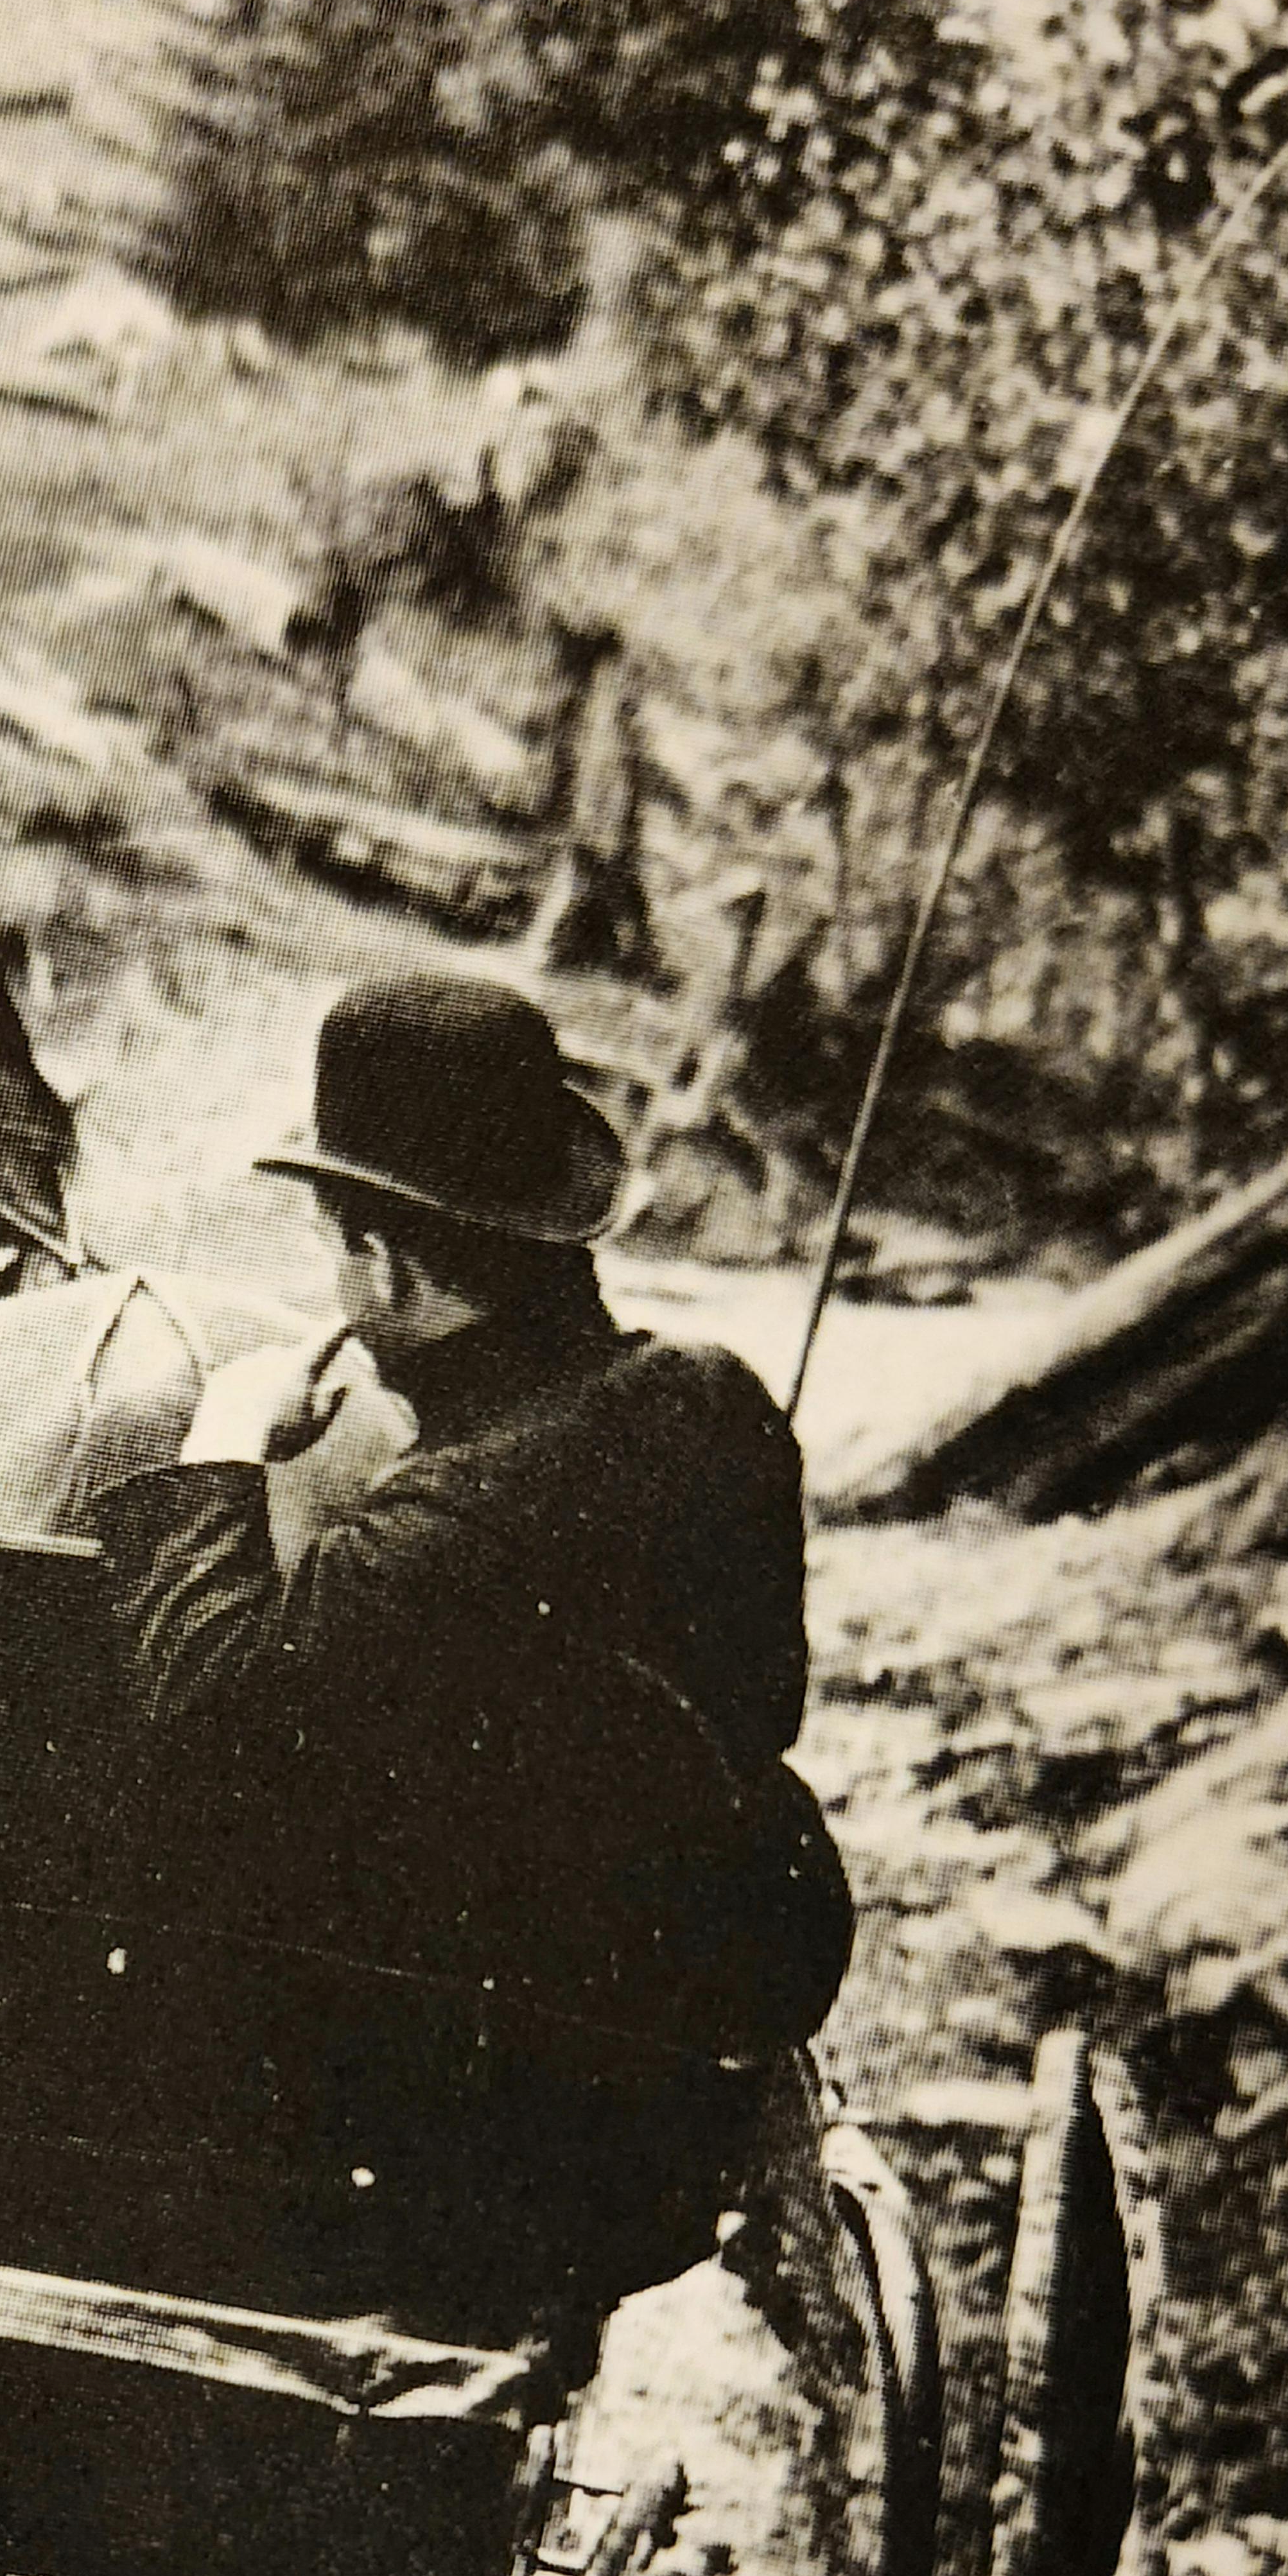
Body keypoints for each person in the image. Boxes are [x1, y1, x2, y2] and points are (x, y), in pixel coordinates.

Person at [89, 968, 848, 2324]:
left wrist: (214, 1454)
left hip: (499, 2117)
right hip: (708, 2009)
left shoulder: (455, 1514)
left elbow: (205, 1702)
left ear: (384, 1265)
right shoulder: (713, 1401)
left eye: (337, 1245)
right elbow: (763, 1707)